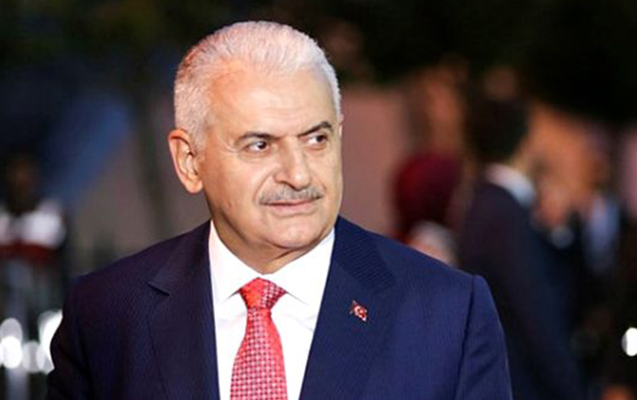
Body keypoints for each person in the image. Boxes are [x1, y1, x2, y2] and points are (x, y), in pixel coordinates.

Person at [46, 21, 511, 399]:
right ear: (189, 161)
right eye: (260, 145)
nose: (299, 174)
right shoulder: (108, 314)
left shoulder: (447, 313)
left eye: (316, 139)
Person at [458, 94, 585, 399]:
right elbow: (535, 315)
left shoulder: (483, 203)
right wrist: (572, 389)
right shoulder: (503, 213)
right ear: (525, 143)